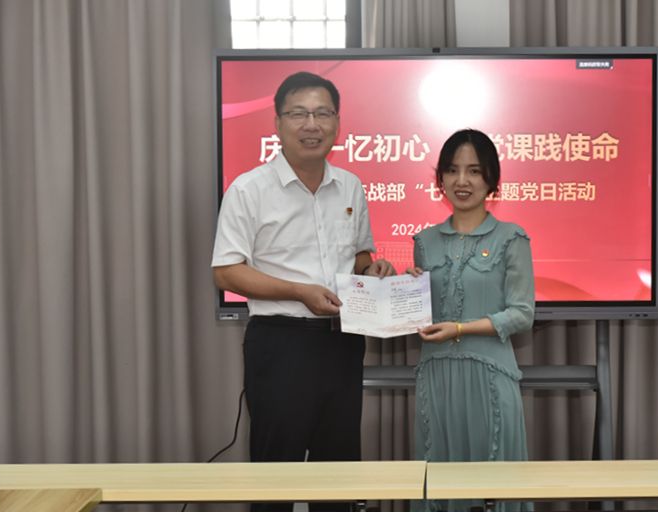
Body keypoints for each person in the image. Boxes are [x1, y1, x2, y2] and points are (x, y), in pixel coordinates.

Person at [211, 71, 394, 512]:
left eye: (322, 113)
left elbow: (358, 258)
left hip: (342, 342)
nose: (312, 124)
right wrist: (298, 291)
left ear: (337, 123)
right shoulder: (249, 189)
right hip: (281, 345)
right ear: (278, 123)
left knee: (338, 476)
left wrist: (374, 270)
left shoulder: (350, 185)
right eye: (299, 114)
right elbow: (227, 272)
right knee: (276, 476)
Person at [408, 129, 535, 512]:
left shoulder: (511, 238)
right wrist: (405, 291)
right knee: (440, 483)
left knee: (492, 487)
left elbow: (522, 314)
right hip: (437, 378)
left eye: (474, 171)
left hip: (490, 377)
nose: (461, 181)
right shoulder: (424, 241)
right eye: (452, 170)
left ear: (491, 179)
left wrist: (461, 329)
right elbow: (423, 315)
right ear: (440, 179)